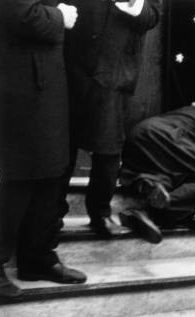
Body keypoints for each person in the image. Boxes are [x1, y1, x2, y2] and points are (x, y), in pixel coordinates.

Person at [0, 0, 87, 299]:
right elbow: (18, 12)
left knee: (49, 173)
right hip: (18, 83)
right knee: (17, 177)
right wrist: (60, 16)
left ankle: (37, 259)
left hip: (45, 80)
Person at [62, 0, 161, 238]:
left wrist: (133, 3)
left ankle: (100, 212)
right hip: (67, 63)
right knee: (63, 144)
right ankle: (51, 215)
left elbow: (151, 16)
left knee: (108, 147)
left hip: (113, 71)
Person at [120, 105, 195, 240]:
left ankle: (148, 183)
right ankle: (150, 212)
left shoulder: (187, 111)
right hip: (168, 136)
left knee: (174, 175)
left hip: (139, 133)